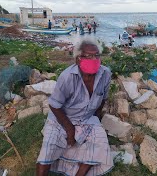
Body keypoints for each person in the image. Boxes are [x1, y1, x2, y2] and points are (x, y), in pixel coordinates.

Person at [36, 37, 114, 176]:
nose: (94, 59)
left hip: (86, 118)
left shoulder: (105, 74)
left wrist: (95, 121)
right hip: (62, 118)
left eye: (97, 55)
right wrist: (69, 128)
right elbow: (54, 105)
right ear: (78, 59)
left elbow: (103, 99)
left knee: (100, 142)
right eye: (89, 56)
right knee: (49, 146)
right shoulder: (67, 77)